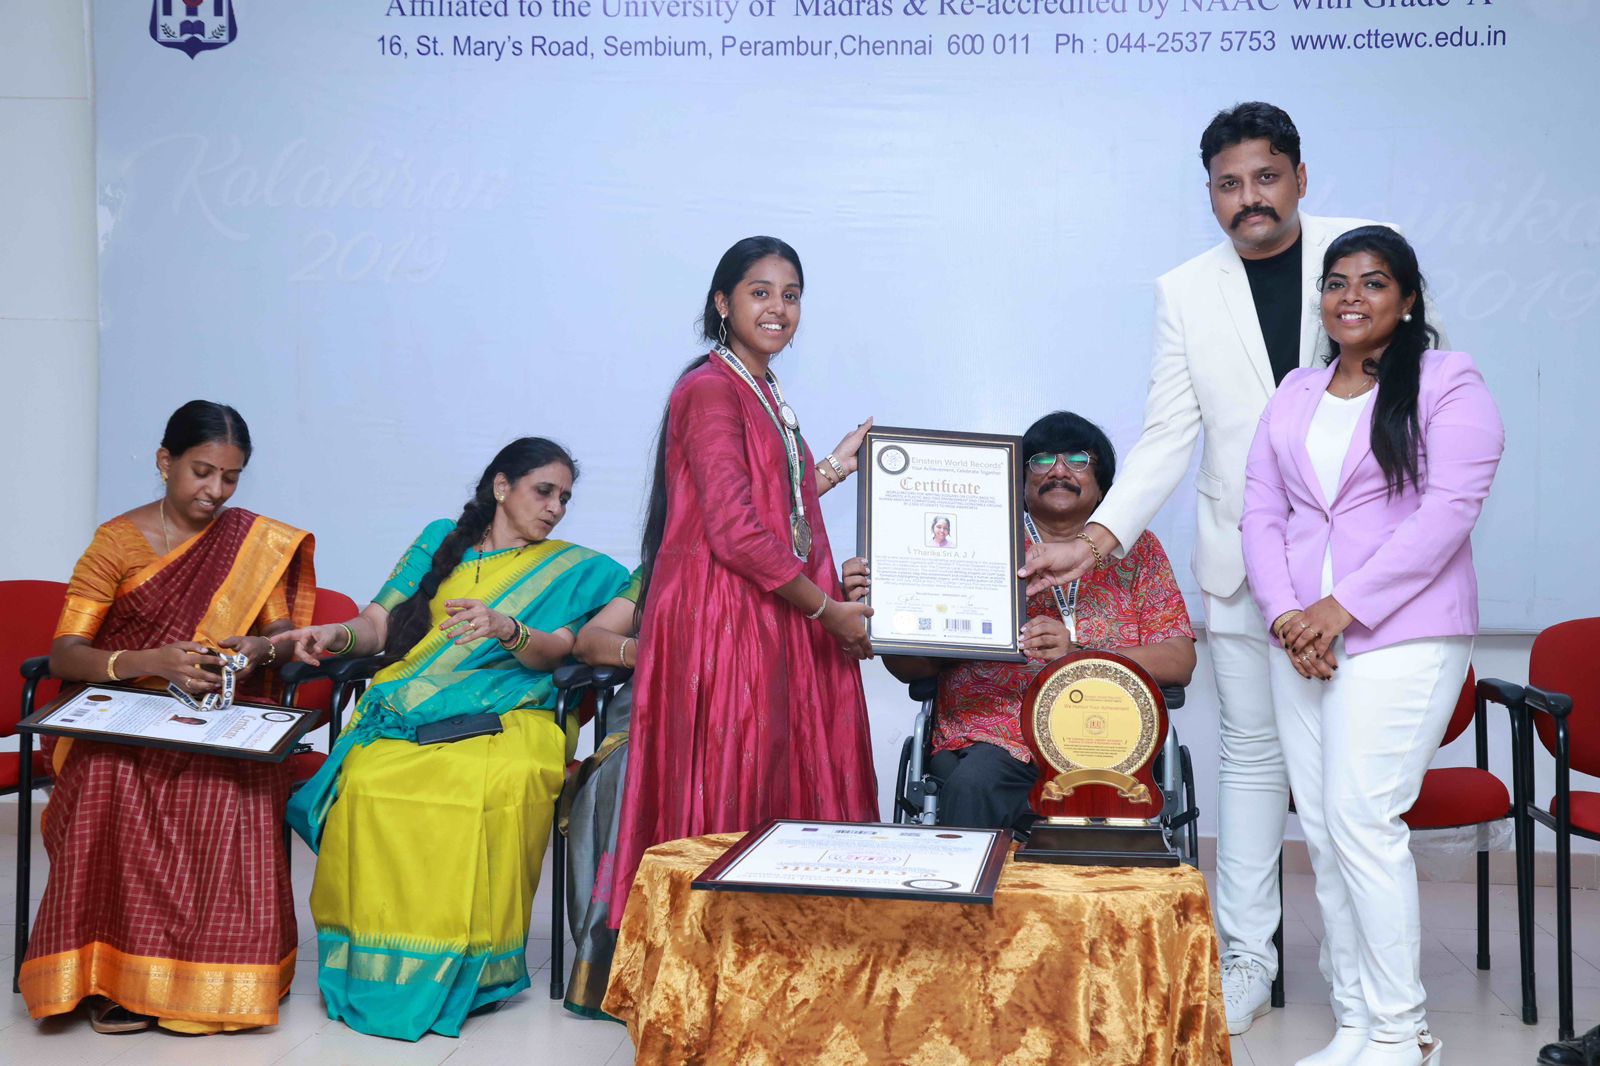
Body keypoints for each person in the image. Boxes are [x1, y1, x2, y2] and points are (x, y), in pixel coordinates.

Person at [1019, 101, 1385, 1034]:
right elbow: (1168, 435)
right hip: (1237, 571)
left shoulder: (1363, 256)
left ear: (1301, 178)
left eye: (1265, 177)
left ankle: (1359, 976)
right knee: (1253, 766)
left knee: (1346, 777)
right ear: (1211, 195)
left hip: (1352, 579)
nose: (1248, 199)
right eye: (1228, 184)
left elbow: (1416, 389)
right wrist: (1093, 538)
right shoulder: (1185, 290)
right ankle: (1246, 961)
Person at [1242, 227, 1502, 1066]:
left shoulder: (1448, 381)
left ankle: (1402, 1029)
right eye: (1336, 281)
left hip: (1403, 633)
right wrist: (1289, 615)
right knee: (1321, 827)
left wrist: (1338, 609)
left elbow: (1449, 511)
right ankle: (1356, 1019)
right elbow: (1261, 511)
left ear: (1409, 298)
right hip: (1303, 638)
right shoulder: (1295, 389)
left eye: (1374, 282)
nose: (1350, 296)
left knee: (1363, 817)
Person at [280, 438, 628, 1041]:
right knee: (368, 783)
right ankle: (376, 961)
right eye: (544, 491)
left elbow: (561, 650)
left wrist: (508, 627)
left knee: (487, 784)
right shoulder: (440, 540)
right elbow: (377, 624)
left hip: (517, 714)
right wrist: (334, 636)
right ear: (501, 487)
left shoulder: (582, 571)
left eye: (565, 498)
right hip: (416, 711)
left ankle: (474, 967)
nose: (555, 509)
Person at [607, 236, 879, 926]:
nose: (779, 308)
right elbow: (732, 533)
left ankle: (774, 952)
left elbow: (767, 509)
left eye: (791, 295)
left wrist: (835, 469)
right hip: (721, 617)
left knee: (766, 782)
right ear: (723, 303)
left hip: (757, 608)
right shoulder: (709, 388)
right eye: (761, 292)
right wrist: (828, 612)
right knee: (733, 784)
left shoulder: (758, 388)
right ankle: (715, 956)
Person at [19, 401, 315, 1035]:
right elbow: (66, 652)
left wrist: (257, 649)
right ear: (165, 462)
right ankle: (113, 977)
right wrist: (150, 660)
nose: (214, 492)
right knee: (110, 780)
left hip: (218, 712)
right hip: (120, 716)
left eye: (230, 478)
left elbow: (284, 637)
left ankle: (222, 976)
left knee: (235, 782)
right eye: (201, 472)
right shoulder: (118, 542)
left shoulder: (253, 541)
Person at [845, 411, 1195, 832]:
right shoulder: (978, 540)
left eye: (1079, 460)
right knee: (974, 782)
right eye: (1042, 460)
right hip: (993, 739)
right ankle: (969, 898)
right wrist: (889, 606)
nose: (1060, 471)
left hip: (1104, 739)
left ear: (1106, 486)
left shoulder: (1136, 550)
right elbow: (910, 669)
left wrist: (1080, 654)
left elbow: (1180, 660)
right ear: (1019, 478)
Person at [559, 569, 641, 1020]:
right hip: (649, 720)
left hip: (748, 717)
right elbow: (590, 640)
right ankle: (619, 968)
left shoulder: (792, 566)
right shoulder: (667, 561)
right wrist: (649, 651)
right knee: (630, 770)